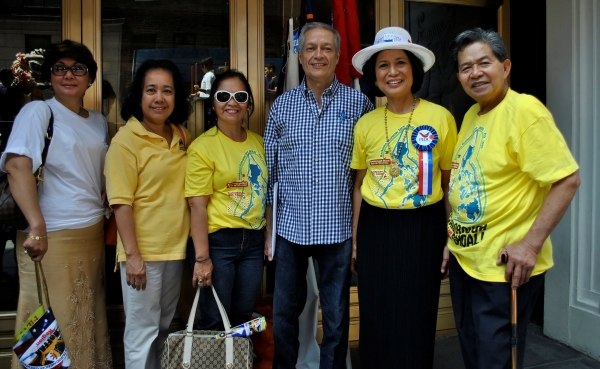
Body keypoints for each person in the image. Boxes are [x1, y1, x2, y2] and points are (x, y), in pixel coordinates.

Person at [444, 28, 580, 369]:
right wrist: (453, 235)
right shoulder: (473, 115)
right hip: (468, 261)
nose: (475, 73)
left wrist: (530, 245)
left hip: (503, 270)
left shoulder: (524, 110)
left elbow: (567, 180)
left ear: (505, 67)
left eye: (483, 63)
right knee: (474, 354)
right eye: (465, 67)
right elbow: (471, 181)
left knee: (497, 361)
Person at [264, 22, 373, 369]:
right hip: (291, 231)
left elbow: (366, 174)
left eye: (326, 48)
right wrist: (269, 232)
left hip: (338, 230)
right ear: (299, 54)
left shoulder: (359, 105)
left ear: (338, 56)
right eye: (310, 48)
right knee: (284, 316)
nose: (318, 55)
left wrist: (359, 236)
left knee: (338, 319)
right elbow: (270, 173)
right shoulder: (282, 106)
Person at [349, 26, 457, 368]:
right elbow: (358, 185)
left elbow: (449, 183)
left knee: (418, 312)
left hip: (424, 227)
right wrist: (354, 238)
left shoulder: (440, 118)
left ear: (414, 69)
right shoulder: (365, 124)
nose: (392, 72)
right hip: (375, 228)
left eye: (400, 63)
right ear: (374, 75)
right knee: (377, 313)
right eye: (383, 65)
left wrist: (449, 238)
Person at [1, 40, 112, 369]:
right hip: (51, 235)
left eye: (78, 68)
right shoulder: (38, 111)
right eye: (59, 68)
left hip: (91, 232)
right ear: (49, 76)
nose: (69, 75)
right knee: (51, 324)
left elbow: (91, 172)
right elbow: (17, 166)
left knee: (84, 318)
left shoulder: (97, 120)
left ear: (90, 78)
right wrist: (37, 226)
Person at [105, 59, 191, 368]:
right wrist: (134, 256)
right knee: (142, 333)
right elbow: (120, 203)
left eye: (167, 91)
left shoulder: (182, 135)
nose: (159, 98)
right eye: (151, 90)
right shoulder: (125, 142)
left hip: (175, 251)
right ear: (138, 96)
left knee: (163, 329)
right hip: (142, 254)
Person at [185, 69, 267, 329]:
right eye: (224, 95)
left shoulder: (260, 143)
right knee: (214, 320)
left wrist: (268, 239)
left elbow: (268, 195)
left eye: (240, 96)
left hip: (253, 243)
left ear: (248, 103)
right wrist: (201, 259)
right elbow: (196, 206)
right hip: (218, 243)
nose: (232, 102)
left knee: (242, 318)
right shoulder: (203, 147)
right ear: (213, 103)